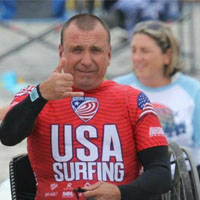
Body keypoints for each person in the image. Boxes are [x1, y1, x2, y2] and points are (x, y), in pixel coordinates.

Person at [0, 14, 171, 200]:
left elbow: (161, 173)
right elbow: (8, 137)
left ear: (109, 54)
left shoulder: (134, 99)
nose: (86, 60)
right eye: (77, 50)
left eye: (96, 50)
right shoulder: (35, 94)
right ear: (61, 53)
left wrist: (120, 192)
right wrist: (40, 96)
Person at [114, 20, 200, 178]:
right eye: (133, 50)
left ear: (167, 56)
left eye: (144, 51)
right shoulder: (118, 87)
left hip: (184, 180)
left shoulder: (193, 90)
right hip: (135, 181)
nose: (137, 58)